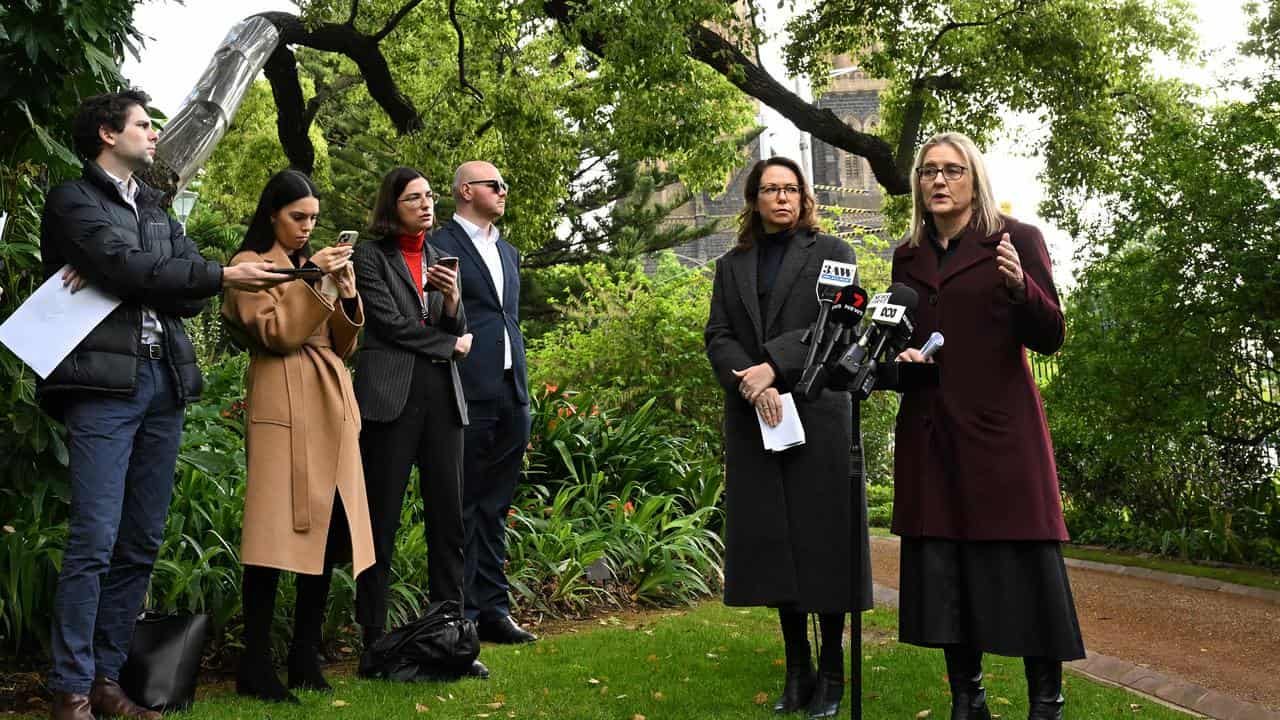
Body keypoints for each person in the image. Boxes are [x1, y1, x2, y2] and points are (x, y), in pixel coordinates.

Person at [38, 89, 286, 720]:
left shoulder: (154, 206)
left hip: (163, 383)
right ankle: (69, 690)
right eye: (144, 124)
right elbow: (136, 267)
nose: (154, 134)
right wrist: (159, 271)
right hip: (102, 387)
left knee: (141, 540)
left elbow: (179, 287)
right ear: (105, 133)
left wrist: (139, 271)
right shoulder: (73, 200)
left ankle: (105, 682)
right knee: (94, 538)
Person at [890, 132, 1084, 720]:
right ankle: (967, 702)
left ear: (974, 179)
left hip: (1002, 439)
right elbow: (903, 332)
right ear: (918, 184)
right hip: (932, 437)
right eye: (929, 171)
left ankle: (1044, 705)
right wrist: (902, 358)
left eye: (952, 170)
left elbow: (1050, 336)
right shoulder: (908, 254)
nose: (939, 181)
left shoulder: (1016, 239)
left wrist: (1020, 288)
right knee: (946, 576)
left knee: (1026, 575)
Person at [704, 156, 872, 719]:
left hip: (819, 414)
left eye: (791, 189)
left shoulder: (834, 254)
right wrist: (750, 383)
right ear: (753, 199)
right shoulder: (732, 265)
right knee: (775, 545)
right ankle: (795, 665)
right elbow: (720, 334)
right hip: (758, 417)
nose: (782, 198)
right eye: (771, 189)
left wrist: (772, 367)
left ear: (804, 197)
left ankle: (831, 671)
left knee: (822, 543)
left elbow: (841, 322)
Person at [221, 169, 376, 702]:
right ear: (272, 215)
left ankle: (304, 655)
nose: (307, 227)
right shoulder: (247, 267)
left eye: (312, 218)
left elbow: (344, 344)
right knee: (272, 531)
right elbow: (279, 334)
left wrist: (347, 296)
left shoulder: (313, 265)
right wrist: (312, 279)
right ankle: (256, 663)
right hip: (280, 394)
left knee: (331, 527)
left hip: (331, 397)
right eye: (297, 217)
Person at [351, 167, 485, 677]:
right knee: (380, 521)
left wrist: (451, 302)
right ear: (393, 206)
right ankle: (375, 643)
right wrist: (450, 343)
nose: (426, 205)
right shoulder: (371, 255)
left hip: (442, 400)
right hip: (391, 399)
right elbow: (388, 323)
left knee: (448, 521)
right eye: (414, 198)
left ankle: (450, 638)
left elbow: (457, 324)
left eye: (430, 196)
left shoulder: (437, 256)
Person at [431, 161, 537, 644]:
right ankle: (462, 611)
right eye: (496, 185)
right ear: (466, 190)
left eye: (505, 184)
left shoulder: (509, 252)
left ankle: (493, 608)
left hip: (513, 392)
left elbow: (504, 317)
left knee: (495, 505)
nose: (504, 191)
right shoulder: (441, 245)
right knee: (463, 504)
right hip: (465, 389)